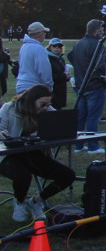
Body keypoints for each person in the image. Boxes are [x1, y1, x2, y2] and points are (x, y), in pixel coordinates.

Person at [0, 85, 77, 221]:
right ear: (31, 100)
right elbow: (1, 130)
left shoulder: (46, 110)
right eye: (43, 104)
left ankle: (36, 201)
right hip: (8, 156)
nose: (45, 108)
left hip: (32, 154)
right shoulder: (9, 109)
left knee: (67, 175)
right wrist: (3, 135)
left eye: (48, 104)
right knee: (23, 175)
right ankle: (19, 202)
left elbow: (59, 123)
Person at [68, 19, 106, 152]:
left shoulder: (79, 43)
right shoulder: (97, 44)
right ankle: (93, 146)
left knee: (81, 117)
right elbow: (100, 65)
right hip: (94, 84)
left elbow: (70, 55)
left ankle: (78, 145)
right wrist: (105, 81)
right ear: (97, 31)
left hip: (81, 84)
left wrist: (80, 67)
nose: (103, 33)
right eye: (102, 30)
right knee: (93, 117)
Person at [15, 22, 53, 94]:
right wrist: (49, 86)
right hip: (34, 87)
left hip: (21, 85)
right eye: (44, 32)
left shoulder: (24, 46)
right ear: (40, 33)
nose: (44, 35)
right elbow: (44, 70)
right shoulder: (39, 49)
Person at [45, 39, 70, 109]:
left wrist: (67, 76)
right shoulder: (47, 59)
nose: (57, 48)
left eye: (59, 46)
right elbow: (48, 76)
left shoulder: (61, 59)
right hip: (53, 90)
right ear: (50, 47)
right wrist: (64, 76)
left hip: (61, 90)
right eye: (54, 46)